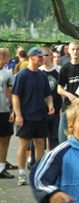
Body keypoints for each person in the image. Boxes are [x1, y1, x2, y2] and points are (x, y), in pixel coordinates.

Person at [11, 47, 54, 186]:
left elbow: (48, 94)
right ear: (31, 57)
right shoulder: (22, 75)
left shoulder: (42, 75)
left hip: (40, 115)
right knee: (24, 144)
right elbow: (15, 96)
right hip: (26, 116)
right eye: (40, 57)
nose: (42, 59)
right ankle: (22, 173)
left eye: (43, 57)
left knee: (40, 143)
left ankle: (39, 173)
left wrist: (50, 105)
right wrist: (18, 115)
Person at [40, 46, 62, 151]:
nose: (42, 58)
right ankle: (34, 161)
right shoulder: (38, 71)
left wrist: (62, 106)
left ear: (50, 56)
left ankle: (54, 160)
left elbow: (62, 89)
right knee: (39, 139)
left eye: (44, 55)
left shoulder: (59, 70)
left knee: (55, 138)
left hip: (56, 109)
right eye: (40, 56)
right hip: (41, 110)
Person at [0, 47, 15, 179]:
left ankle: (2, 167)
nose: (9, 59)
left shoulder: (8, 74)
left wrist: (13, 110)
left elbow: (11, 93)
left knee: (4, 139)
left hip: (4, 111)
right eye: (7, 56)